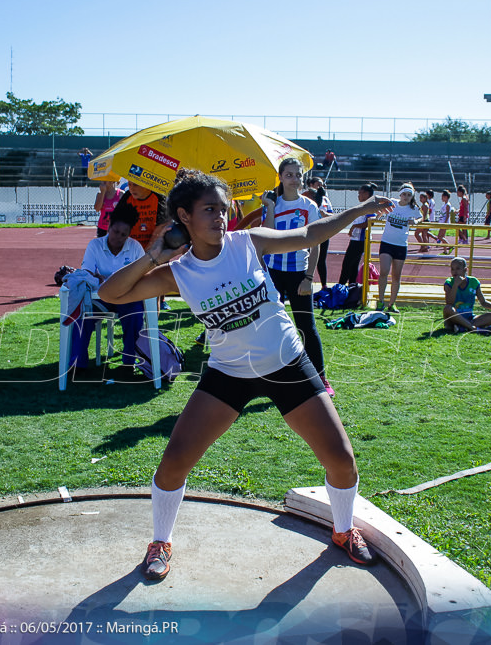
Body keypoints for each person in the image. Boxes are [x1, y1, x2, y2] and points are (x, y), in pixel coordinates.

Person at [98, 168, 394, 581]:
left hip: (287, 363)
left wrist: (359, 210)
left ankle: (344, 531)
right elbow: (110, 294)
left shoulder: (246, 243)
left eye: (223, 209)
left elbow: (310, 235)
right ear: (183, 216)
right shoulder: (177, 272)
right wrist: (153, 255)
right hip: (229, 373)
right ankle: (160, 541)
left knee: (342, 461)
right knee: (174, 461)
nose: (220, 217)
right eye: (209, 210)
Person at [262, 158, 333, 395]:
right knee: (271, 326)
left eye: (298, 175)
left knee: (306, 327)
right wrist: (270, 208)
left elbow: (316, 244)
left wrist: (309, 277)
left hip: (299, 273)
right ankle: (273, 376)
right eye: (289, 175)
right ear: (280, 177)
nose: (295, 179)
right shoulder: (272, 203)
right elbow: (268, 237)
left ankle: (321, 378)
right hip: (273, 273)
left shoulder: (309, 206)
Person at [71, 202, 146, 370]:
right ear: (108, 227)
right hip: (100, 299)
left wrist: (104, 278)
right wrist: (120, 279)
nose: (118, 237)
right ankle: (78, 364)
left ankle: (129, 362)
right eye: (115, 231)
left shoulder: (135, 248)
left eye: (123, 234)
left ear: (129, 235)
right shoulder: (95, 245)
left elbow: (142, 277)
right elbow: (87, 275)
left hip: (127, 299)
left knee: (135, 315)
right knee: (82, 317)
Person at [376, 183, 422, 313]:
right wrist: (379, 215)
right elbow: (381, 210)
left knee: (396, 276)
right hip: (387, 243)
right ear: (400, 194)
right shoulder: (393, 203)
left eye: (409, 195)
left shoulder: (413, 208)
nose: (406, 197)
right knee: (384, 271)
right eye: (404, 194)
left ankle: (392, 303)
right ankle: (380, 302)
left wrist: (416, 222)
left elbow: (421, 217)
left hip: (401, 245)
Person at [442, 257, 491, 335]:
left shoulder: (474, 282)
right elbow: (449, 302)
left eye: (458, 268)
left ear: (465, 270)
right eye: (452, 269)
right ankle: (474, 328)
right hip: (453, 318)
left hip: (470, 317)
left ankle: (463, 327)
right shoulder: (449, 283)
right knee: (447, 308)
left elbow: (483, 302)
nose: (455, 272)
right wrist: (455, 285)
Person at [338, 182, 376, 287]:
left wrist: (354, 227)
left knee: (347, 264)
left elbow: (370, 221)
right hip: (356, 239)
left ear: (366, 194)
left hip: (361, 240)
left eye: (360, 193)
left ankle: (340, 286)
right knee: (353, 265)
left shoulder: (369, 206)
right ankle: (351, 287)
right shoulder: (362, 206)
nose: (358, 196)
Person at [303, 176, 334, 289]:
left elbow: (332, 215)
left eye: (322, 184)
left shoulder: (325, 199)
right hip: (308, 232)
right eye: (318, 184)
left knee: (321, 259)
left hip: (323, 232)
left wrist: (326, 215)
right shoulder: (306, 197)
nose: (321, 186)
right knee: (305, 257)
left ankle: (324, 285)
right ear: (311, 185)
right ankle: (302, 282)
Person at [118, 181, 167, 249]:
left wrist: (148, 249)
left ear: (146, 185)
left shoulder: (158, 197)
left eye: (135, 185)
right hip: (131, 247)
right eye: (129, 184)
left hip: (154, 248)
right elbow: (116, 220)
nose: (131, 189)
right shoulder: (127, 196)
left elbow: (162, 225)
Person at [435, 190, 453, 254]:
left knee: (440, 237)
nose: (441, 198)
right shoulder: (444, 205)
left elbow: (448, 214)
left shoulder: (447, 205)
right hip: (442, 221)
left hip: (444, 222)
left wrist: (445, 222)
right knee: (442, 236)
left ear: (446, 197)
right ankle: (445, 251)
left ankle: (450, 246)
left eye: (442, 197)